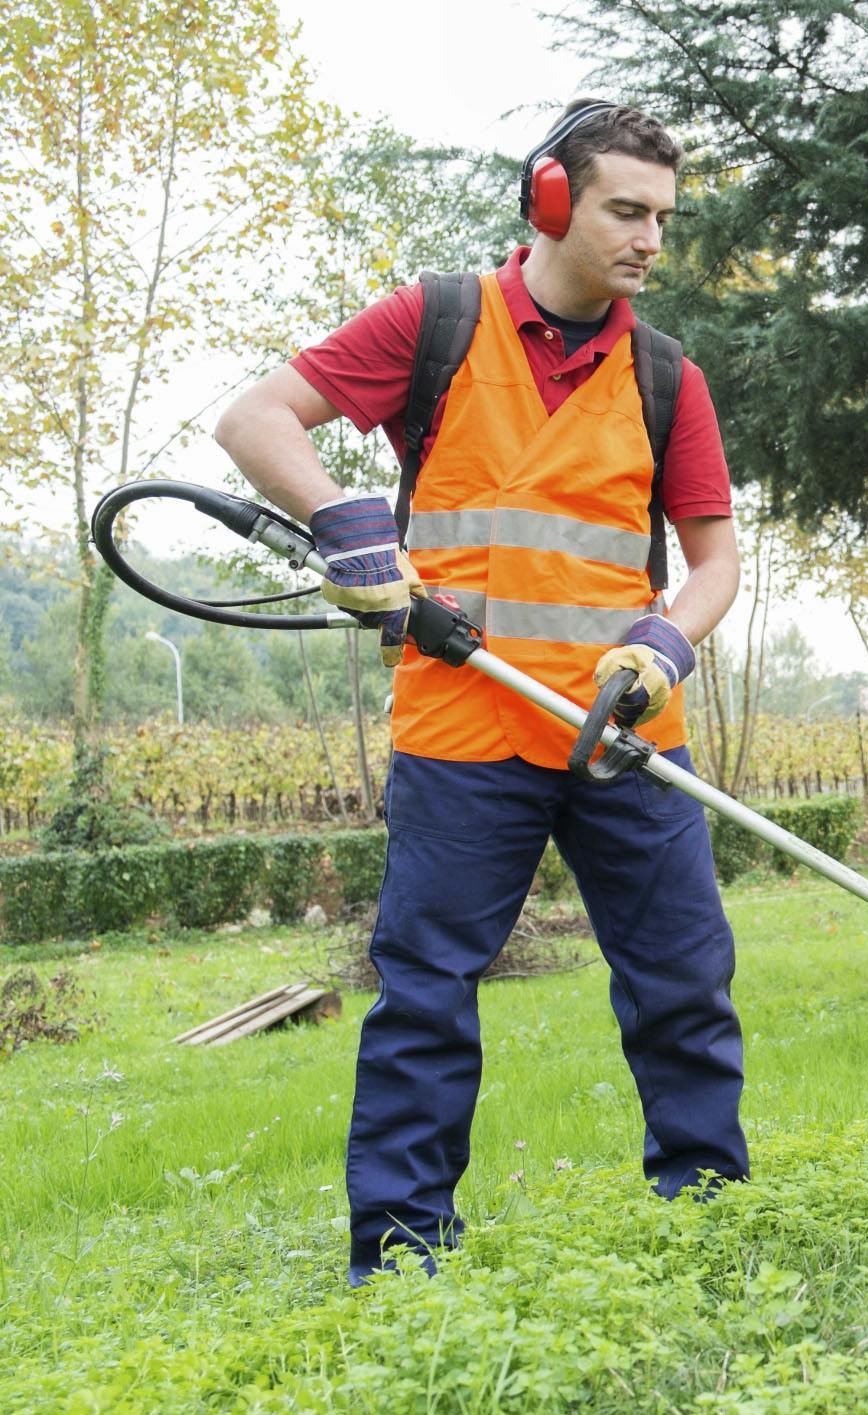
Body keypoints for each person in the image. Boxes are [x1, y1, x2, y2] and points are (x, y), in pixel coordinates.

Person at [214, 100, 747, 1285]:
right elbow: (256, 420)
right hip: (463, 731)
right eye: (625, 210)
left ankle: (713, 1216)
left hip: (621, 735)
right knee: (426, 999)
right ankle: (402, 1258)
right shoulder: (438, 322)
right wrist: (346, 521)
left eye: (663, 217)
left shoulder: (667, 376)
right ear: (550, 199)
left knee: (684, 984)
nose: (650, 239)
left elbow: (713, 565)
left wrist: (665, 644)